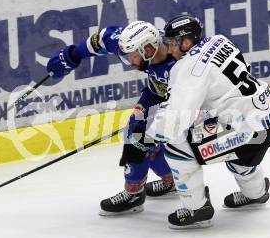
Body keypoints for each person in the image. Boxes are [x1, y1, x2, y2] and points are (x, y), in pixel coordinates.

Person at [121, 14, 270, 229]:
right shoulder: (219, 40)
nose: (169, 49)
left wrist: (146, 138)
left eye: (172, 43)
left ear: (186, 42)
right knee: (239, 156)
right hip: (269, 115)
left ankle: (197, 209)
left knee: (176, 144)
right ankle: (256, 193)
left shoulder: (187, 67)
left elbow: (175, 120)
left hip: (246, 128)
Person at [46, 21, 183, 215]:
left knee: (139, 137)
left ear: (149, 48)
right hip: (156, 92)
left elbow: (195, 96)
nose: (130, 62)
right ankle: (173, 181)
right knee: (138, 135)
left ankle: (134, 194)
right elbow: (104, 38)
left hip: (184, 102)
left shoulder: (182, 62)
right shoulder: (133, 44)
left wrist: (161, 115)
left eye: (133, 57)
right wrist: (72, 55)